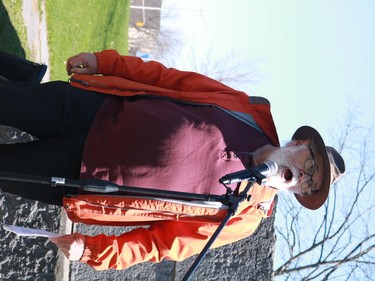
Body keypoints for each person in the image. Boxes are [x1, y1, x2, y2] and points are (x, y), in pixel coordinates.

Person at [0, 50, 345, 270]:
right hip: (91, 109)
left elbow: (161, 244)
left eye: (308, 184)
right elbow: (171, 80)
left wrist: (92, 250)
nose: (302, 177)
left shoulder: (243, 217)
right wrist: (108, 63)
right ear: (300, 143)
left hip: (81, 176)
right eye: (310, 166)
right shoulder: (248, 113)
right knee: (8, 100)